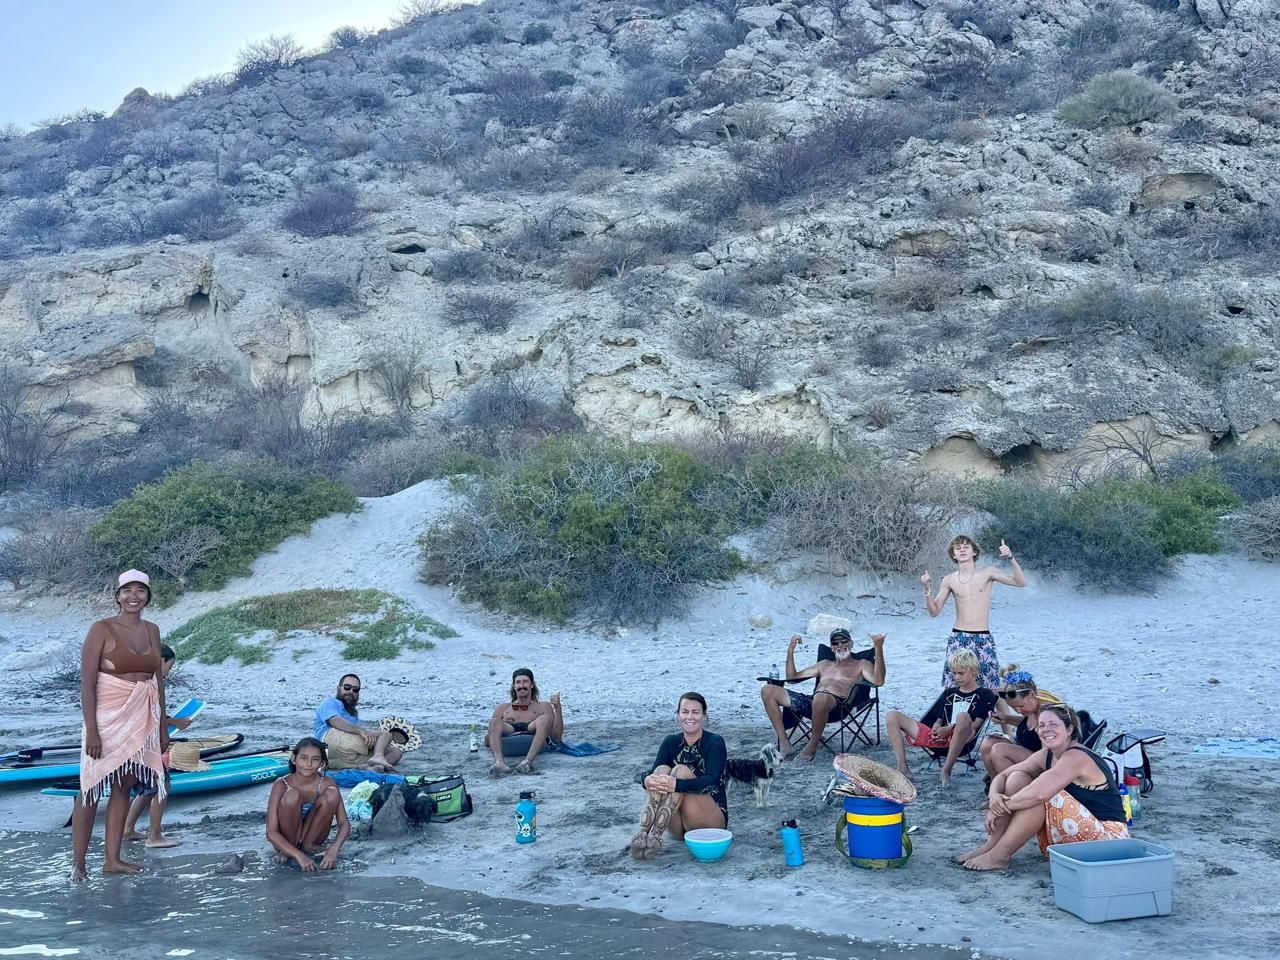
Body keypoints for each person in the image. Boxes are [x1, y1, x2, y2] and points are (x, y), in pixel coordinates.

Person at [72, 569, 169, 881]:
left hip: (142, 714)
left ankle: (112, 859)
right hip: (106, 716)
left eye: (141, 591)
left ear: (147, 598)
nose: (134, 596)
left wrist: (163, 726)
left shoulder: (152, 629)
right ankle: (79, 863)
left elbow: (158, 681)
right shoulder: (101, 628)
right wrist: (93, 729)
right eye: (127, 590)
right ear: (117, 596)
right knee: (90, 787)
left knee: (125, 783)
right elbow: (87, 684)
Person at [957, 703, 1129, 871]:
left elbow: (1039, 794)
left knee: (1042, 796)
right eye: (1041, 725)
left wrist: (999, 808)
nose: (1046, 729)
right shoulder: (1047, 755)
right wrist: (994, 796)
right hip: (1079, 830)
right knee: (1018, 777)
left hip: (1109, 840)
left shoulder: (1077, 756)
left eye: (1053, 724)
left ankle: (999, 856)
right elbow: (1004, 775)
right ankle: (991, 846)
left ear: (1069, 730)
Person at [760, 629, 886, 762]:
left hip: (839, 707)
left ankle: (812, 746)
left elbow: (878, 681)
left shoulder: (862, 664)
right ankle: (785, 743)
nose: (840, 645)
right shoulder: (824, 664)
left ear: (851, 643)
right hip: (813, 703)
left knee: (821, 697)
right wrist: (790, 650)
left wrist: (878, 648)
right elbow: (792, 678)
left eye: (844, 641)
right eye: (835, 643)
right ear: (831, 647)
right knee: (767, 690)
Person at [630, 692, 727, 860]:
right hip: (677, 824)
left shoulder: (715, 742)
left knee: (680, 771)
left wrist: (677, 784)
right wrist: (645, 780)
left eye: (695, 712)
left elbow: (712, 780)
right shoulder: (670, 742)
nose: (690, 717)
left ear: (704, 715)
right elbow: (655, 776)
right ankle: (644, 834)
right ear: (678, 715)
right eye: (685, 711)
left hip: (709, 819)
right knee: (660, 770)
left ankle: (655, 836)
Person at [921, 535, 1026, 690]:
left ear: (974, 552)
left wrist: (1010, 557)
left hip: (982, 636)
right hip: (958, 638)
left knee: (992, 686)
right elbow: (934, 611)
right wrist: (927, 589)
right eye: (958, 548)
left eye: (966, 547)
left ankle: (998, 715)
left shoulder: (988, 572)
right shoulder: (949, 580)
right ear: (953, 555)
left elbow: (1020, 582)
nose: (962, 550)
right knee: (954, 686)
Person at [885, 649, 998, 786]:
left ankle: (946, 770)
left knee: (962, 716)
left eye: (961, 673)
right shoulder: (949, 693)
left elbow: (975, 725)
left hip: (963, 739)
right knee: (892, 716)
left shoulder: (985, 694)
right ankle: (903, 767)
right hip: (939, 738)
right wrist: (937, 728)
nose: (957, 677)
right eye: (954, 673)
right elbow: (938, 719)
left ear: (974, 671)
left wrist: (949, 729)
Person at [123, 644, 192, 848]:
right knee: (162, 784)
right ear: (161, 661)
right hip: (145, 743)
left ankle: (128, 830)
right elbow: (149, 712)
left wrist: (169, 721)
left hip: (134, 741)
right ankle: (155, 836)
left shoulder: (137, 678)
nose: (168, 674)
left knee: (147, 788)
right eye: (169, 668)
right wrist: (173, 723)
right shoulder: (151, 682)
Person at [266, 737, 349, 872]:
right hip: (286, 840)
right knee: (292, 795)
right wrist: (299, 856)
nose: (309, 763)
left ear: (321, 763)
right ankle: (289, 849)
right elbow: (271, 832)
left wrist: (334, 849)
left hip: (313, 839)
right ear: (294, 759)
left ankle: (308, 846)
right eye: (303, 758)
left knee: (332, 794)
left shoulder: (327, 782)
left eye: (315, 759)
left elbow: (344, 824)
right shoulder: (281, 784)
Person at [313, 674, 403, 773]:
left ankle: (367, 767)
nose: (350, 691)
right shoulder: (331, 703)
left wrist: (371, 739)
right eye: (347, 687)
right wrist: (362, 731)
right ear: (338, 688)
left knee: (395, 752)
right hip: (328, 741)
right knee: (386, 735)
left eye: (355, 689)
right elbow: (336, 721)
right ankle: (378, 756)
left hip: (339, 756)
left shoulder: (353, 715)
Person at [485, 668, 563, 776]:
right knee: (494, 721)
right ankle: (499, 763)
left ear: (532, 685)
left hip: (532, 728)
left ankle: (527, 762)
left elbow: (556, 738)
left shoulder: (543, 706)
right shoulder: (502, 708)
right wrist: (502, 722)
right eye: (518, 682)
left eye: (525, 681)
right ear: (513, 686)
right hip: (509, 730)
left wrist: (558, 709)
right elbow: (487, 741)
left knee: (543, 719)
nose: (521, 685)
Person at [980, 665, 1044, 783]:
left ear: (1031, 695)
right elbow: (1028, 725)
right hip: (1027, 749)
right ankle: (995, 786)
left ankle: (1010, 791)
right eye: (1013, 708)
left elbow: (1050, 753)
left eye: (1021, 706)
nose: (1019, 710)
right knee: (988, 743)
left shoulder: (1046, 714)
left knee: (999, 750)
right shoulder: (1031, 709)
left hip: (1042, 760)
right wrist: (1006, 718)